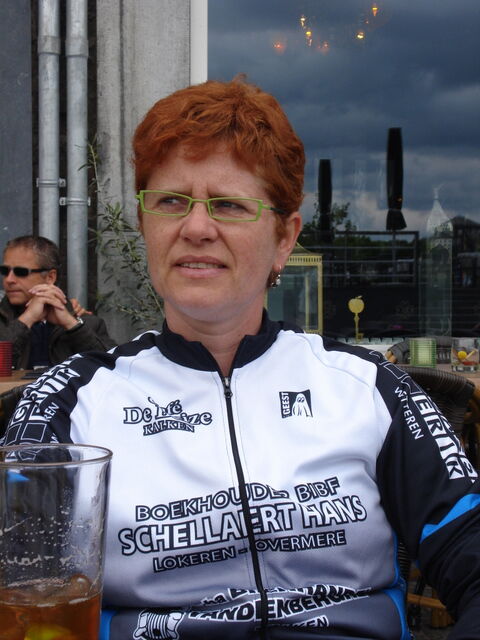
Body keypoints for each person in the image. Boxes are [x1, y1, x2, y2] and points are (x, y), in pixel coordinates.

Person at [2, 79, 480, 640]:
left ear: (284, 238)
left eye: (228, 205)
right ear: (145, 224)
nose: (196, 228)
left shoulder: (370, 387)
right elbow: (24, 584)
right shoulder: (70, 399)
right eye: (171, 201)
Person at [0, 235, 116, 369]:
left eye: (21, 272)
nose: (9, 280)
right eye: (5, 271)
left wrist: (71, 324)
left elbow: (113, 369)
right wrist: (27, 319)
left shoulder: (88, 323)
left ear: (50, 277)